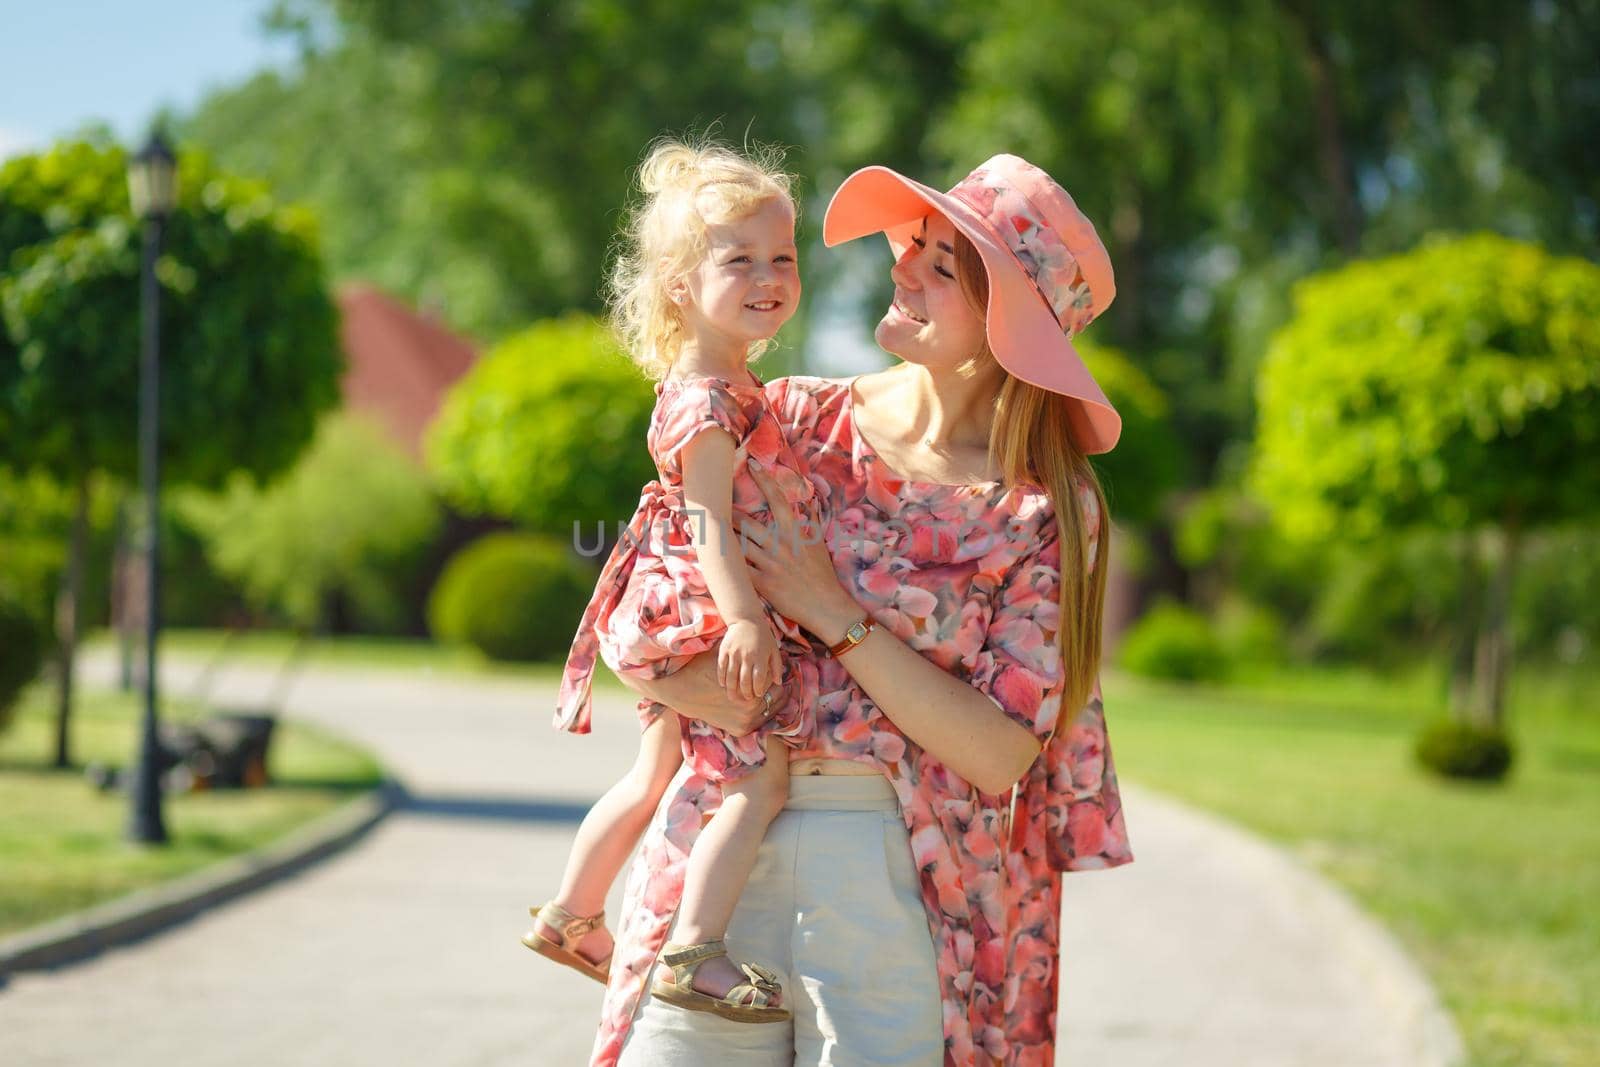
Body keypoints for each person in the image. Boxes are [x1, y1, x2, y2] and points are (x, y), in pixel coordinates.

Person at [594, 153, 1135, 1067]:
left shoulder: (1043, 507)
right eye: (908, 250)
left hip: (900, 884)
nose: (900, 271)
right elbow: (637, 609)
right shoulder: (792, 417)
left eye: (938, 267)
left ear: (1007, 324)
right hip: (720, 853)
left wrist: (830, 610)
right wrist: (727, 695)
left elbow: (1001, 752)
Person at [524, 138, 818, 1023]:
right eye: (741, 260)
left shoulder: (715, 380)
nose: (768, 275)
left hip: (659, 606)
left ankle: (573, 913)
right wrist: (746, 623)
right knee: (759, 772)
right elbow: (709, 522)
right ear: (682, 285)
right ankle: (696, 949)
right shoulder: (711, 400)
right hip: (695, 611)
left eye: (783, 258)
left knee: (653, 770)